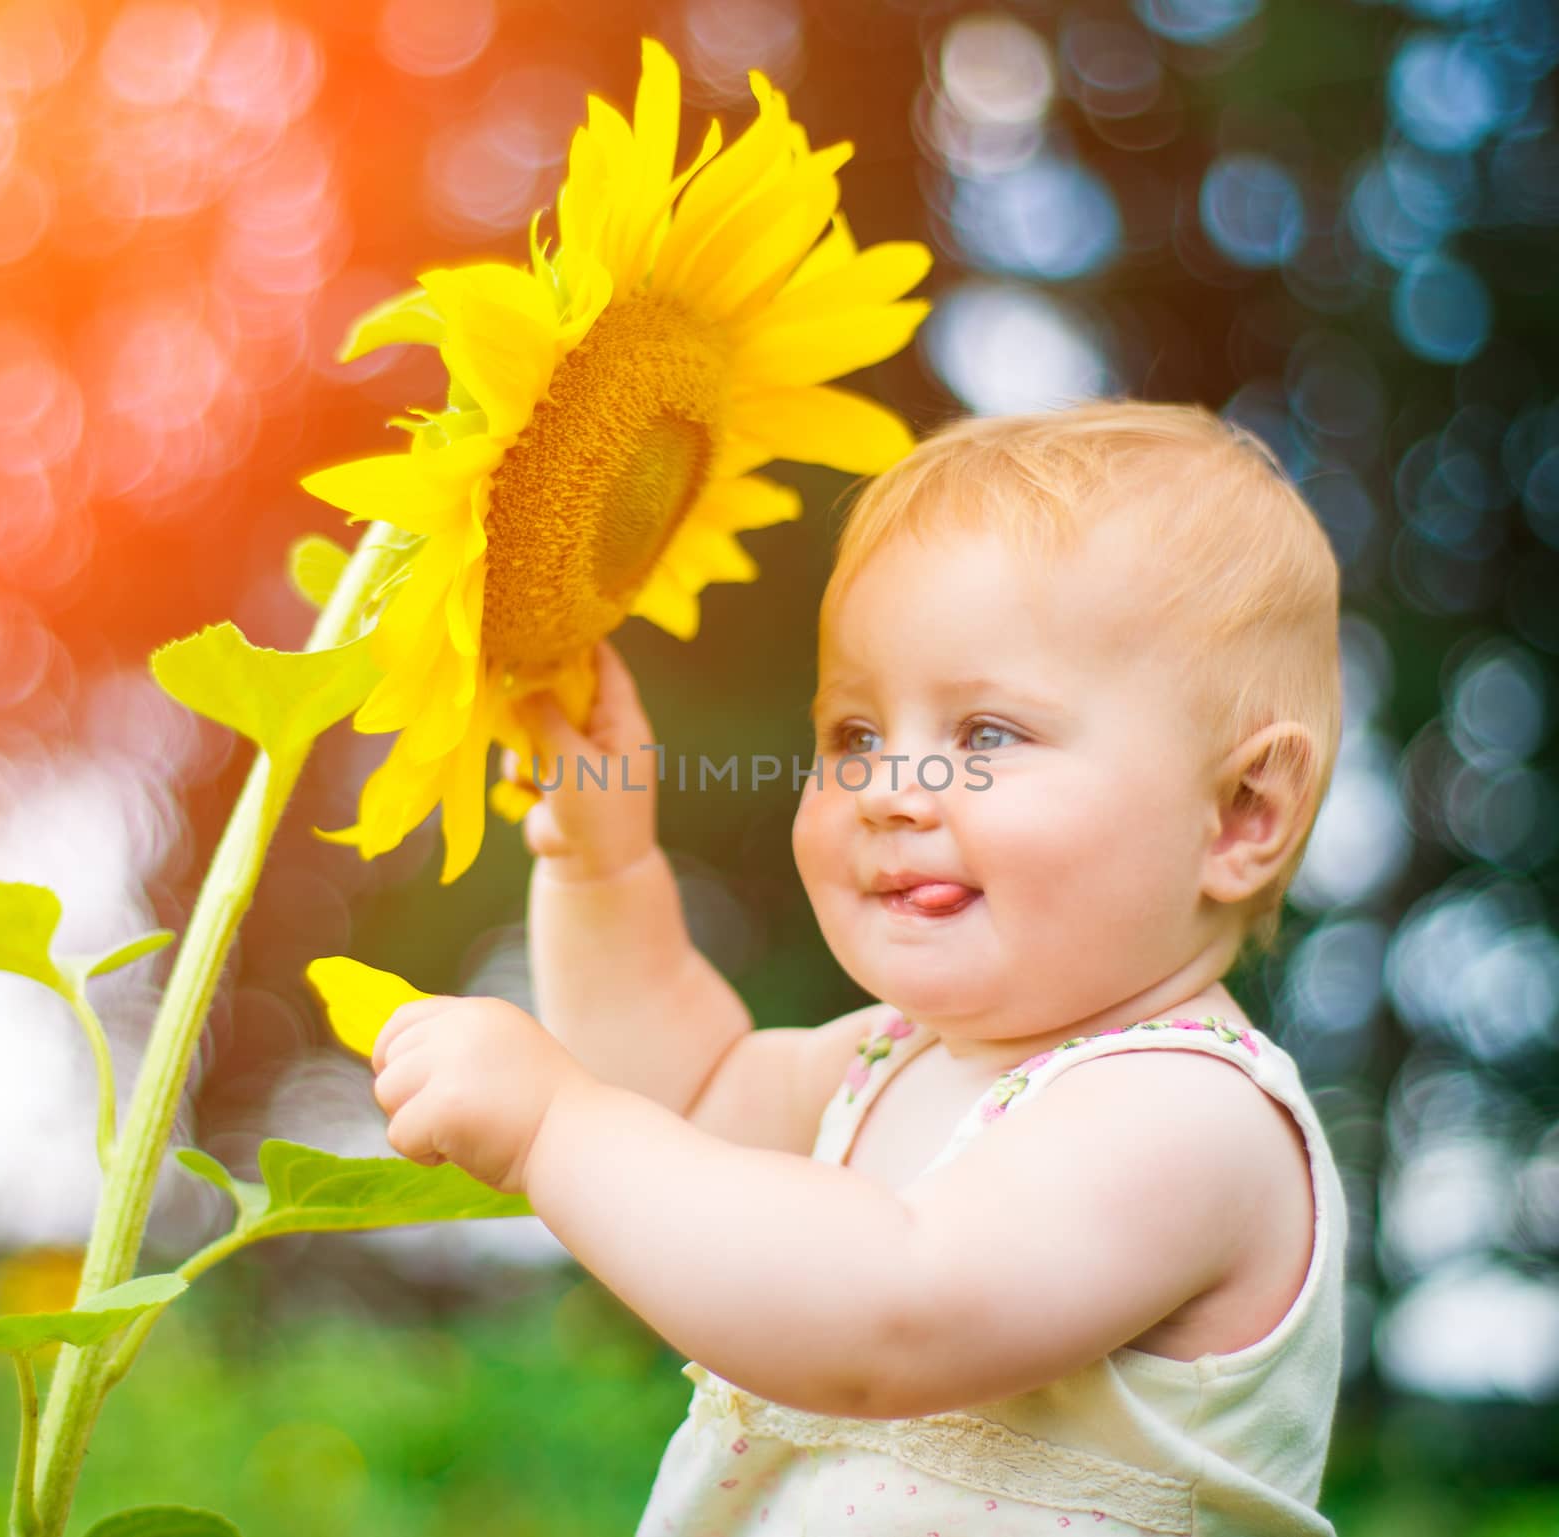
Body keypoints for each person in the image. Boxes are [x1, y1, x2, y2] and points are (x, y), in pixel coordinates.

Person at [369, 401, 1349, 1536]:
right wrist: (604, 866)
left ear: (1239, 814)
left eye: (986, 735)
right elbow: (683, 1096)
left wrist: (553, 1128)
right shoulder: (892, 1059)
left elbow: (891, 1317)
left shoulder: (1189, 1114)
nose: (891, 788)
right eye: (853, 735)